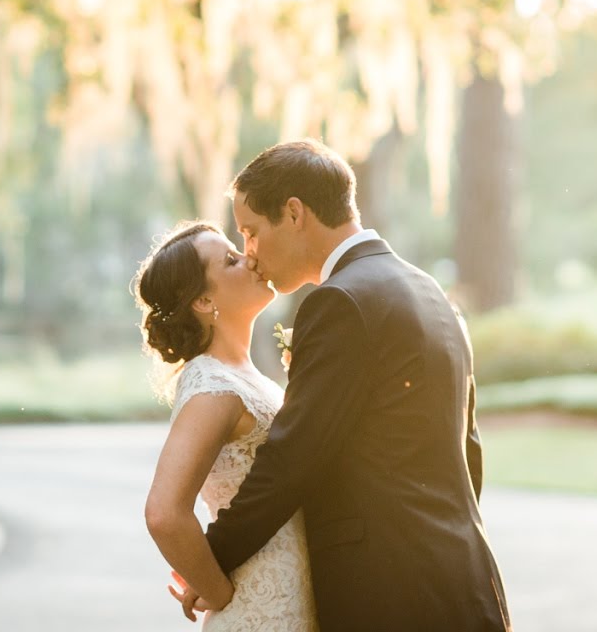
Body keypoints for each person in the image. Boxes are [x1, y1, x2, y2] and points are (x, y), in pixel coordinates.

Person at [172, 139, 511, 631]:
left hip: (392, 599)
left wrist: (210, 562)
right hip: (467, 586)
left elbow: (291, 459)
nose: (249, 253)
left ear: (294, 213)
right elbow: (467, 453)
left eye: (250, 231)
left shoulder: (341, 303)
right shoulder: (431, 293)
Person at [137, 220, 318, 631]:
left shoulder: (245, 376)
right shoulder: (211, 385)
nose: (250, 258)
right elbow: (164, 513)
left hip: (298, 595)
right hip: (262, 610)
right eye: (232, 261)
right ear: (203, 300)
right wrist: (217, 591)